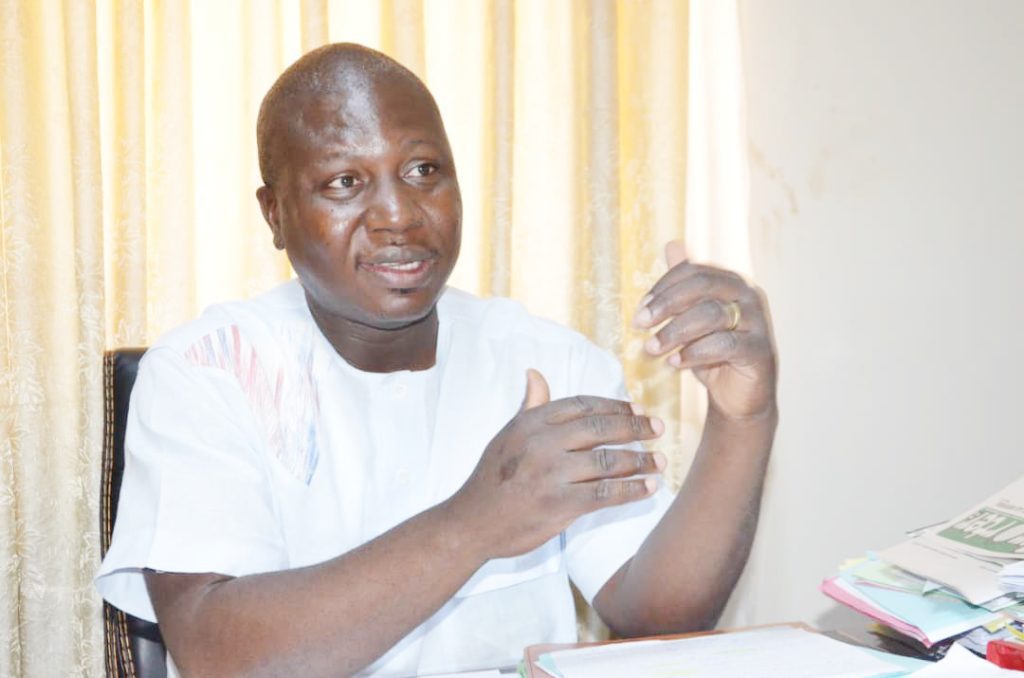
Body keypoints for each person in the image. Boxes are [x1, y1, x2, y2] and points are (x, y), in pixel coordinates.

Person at [97, 43, 777, 677]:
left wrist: (742, 421)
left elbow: (656, 615)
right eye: (344, 182)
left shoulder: (548, 360)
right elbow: (216, 652)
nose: (399, 214)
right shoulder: (206, 370)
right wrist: (476, 522)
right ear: (274, 214)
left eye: (423, 171)